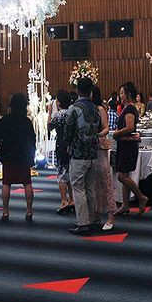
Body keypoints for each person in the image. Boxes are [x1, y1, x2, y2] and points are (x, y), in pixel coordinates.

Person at [64, 77, 102, 235]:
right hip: (93, 153)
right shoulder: (96, 108)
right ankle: (92, 219)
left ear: (77, 90)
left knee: (78, 188)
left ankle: (83, 223)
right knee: (90, 188)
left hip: (78, 154)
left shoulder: (74, 108)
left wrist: (67, 143)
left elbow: (68, 131)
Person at [0, 92, 36, 222]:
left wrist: (0, 142)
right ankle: (29, 211)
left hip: (8, 155)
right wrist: (31, 156)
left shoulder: (5, 120)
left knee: (6, 183)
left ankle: (5, 212)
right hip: (24, 156)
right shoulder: (27, 121)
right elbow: (32, 140)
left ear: (11, 106)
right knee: (27, 183)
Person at [113, 81, 149, 216]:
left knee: (121, 176)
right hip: (125, 145)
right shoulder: (128, 107)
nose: (120, 96)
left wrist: (116, 133)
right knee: (125, 175)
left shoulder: (129, 108)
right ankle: (125, 205)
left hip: (127, 145)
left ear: (128, 94)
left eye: (122, 93)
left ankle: (141, 197)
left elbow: (130, 127)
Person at [91, 86, 116, 231]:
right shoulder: (87, 108)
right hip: (90, 149)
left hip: (100, 148)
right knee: (93, 183)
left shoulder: (100, 109)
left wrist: (96, 135)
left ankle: (110, 216)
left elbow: (106, 128)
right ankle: (96, 214)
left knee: (105, 181)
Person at [48, 89, 74, 214]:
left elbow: (49, 127)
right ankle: (72, 199)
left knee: (62, 172)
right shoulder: (72, 113)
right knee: (71, 172)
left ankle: (64, 200)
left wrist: (49, 113)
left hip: (61, 144)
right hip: (72, 145)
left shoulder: (57, 115)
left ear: (58, 102)